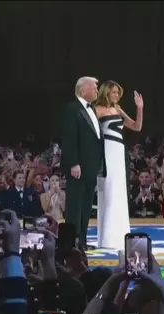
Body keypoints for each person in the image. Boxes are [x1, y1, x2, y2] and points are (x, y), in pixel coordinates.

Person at [93, 80, 144, 249]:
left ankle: (118, 235)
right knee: (109, 190)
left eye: (117, 92)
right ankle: (107, 239)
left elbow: (136, 127)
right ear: (105, 93)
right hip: (106, 152)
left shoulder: (118, 109)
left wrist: (139, 107)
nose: (116, 95)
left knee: (119, 192)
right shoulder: (97, 110)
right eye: (113, 92)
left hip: (118, 153)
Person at [62, 77, 106, 250]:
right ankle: (71, 243)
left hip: (91, 167)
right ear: (83, 90)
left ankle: (82, 241)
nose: (97, 89)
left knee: (86, 205)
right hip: (78, 167)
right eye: (94, 87)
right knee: (75, 205)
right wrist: (73, 163)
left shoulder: (92, 109)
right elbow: (70, 137)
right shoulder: (72, 109)